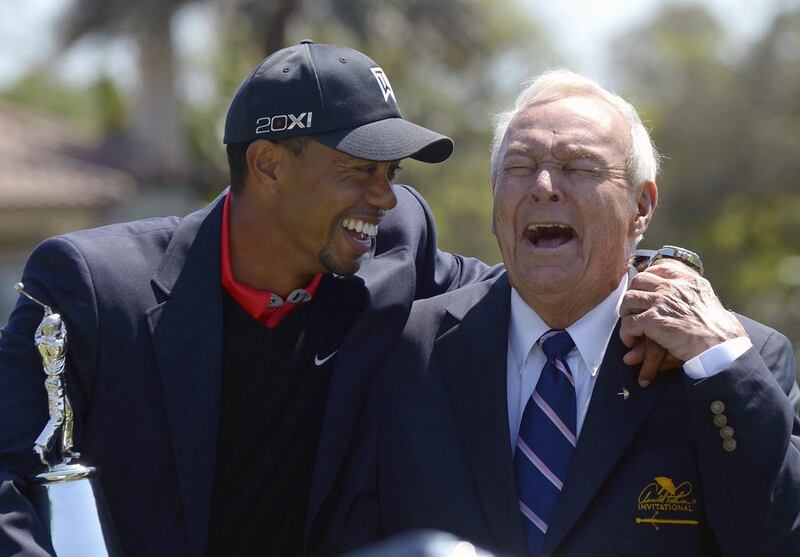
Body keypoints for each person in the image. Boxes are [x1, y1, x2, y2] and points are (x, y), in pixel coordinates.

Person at [0, 41, 497, 556]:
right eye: (360, 169)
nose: (385, 196)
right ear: (268, 165)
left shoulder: (398, 244)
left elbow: (518, 290)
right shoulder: (91, 289)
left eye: (391, 173)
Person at [328, 70, 800, 557]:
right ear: (495, 201)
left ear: (642, 206)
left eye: (579, 167)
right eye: (519, 166)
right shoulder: (404, 354)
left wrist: (721, 362)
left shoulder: (732, 361)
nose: (544, 186)